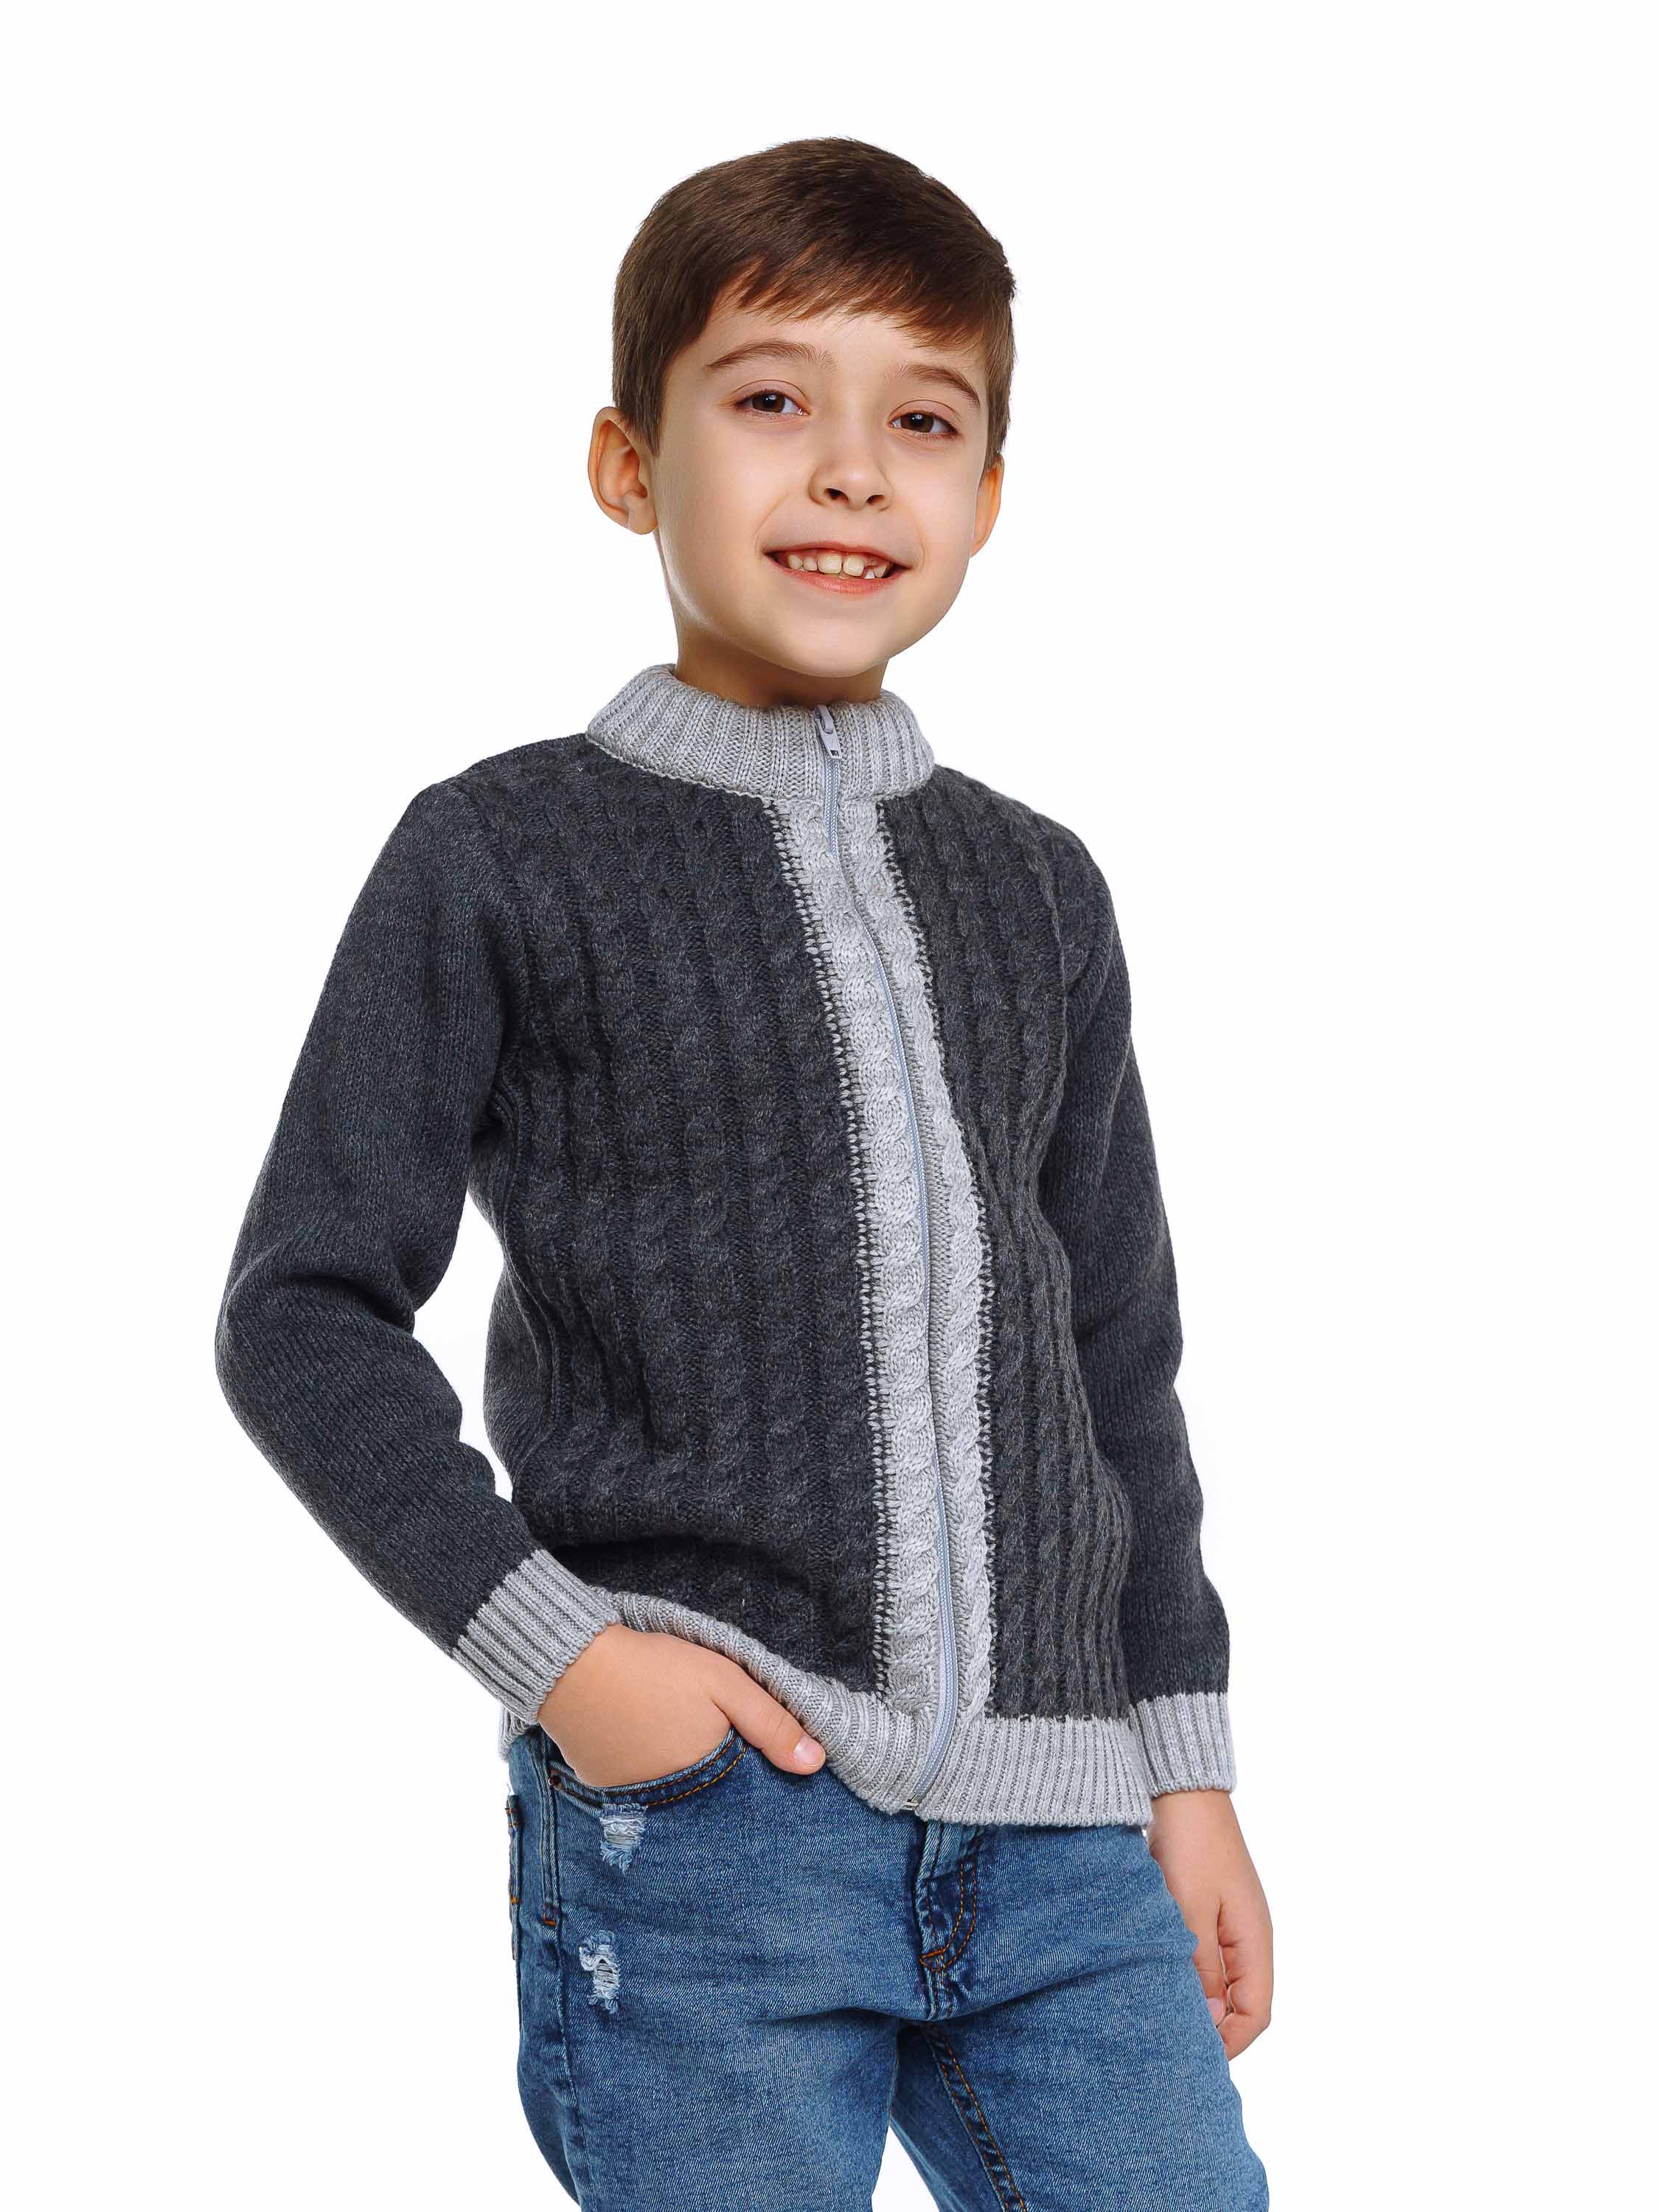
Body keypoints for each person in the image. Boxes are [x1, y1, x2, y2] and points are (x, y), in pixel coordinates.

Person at [215, 133, 1273, 2210]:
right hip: (716, 1829)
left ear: (990, 495)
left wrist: (1186, 1762)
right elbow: (303, 1312)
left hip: (1066, 1844)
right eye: (774, 399)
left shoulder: (1038, 887)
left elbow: (1115, 1363)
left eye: (924, 421)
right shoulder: (500, 852)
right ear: (630, 465)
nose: (852, 471)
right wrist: (564, 1660)